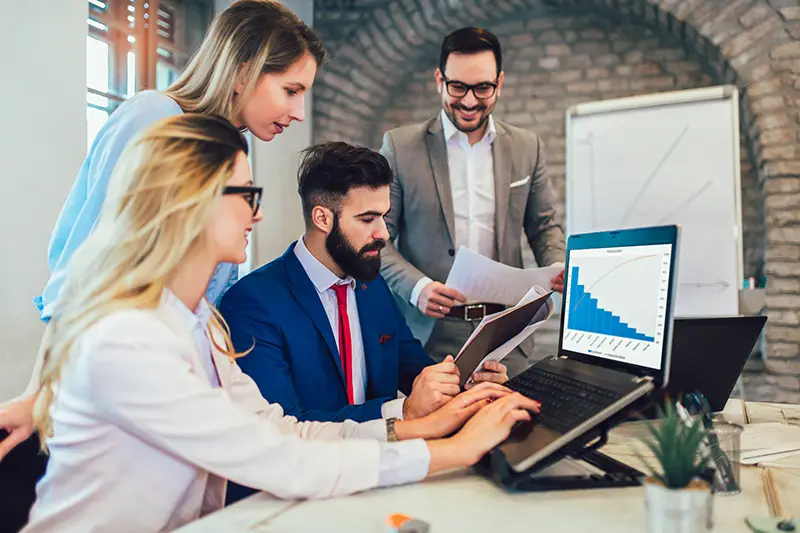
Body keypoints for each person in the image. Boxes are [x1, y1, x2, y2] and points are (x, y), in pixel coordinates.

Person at [21, 114, 540, 533]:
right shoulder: (129, 340)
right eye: (247, 196)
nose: (259, 214)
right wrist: (455, 449)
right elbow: (280, 459)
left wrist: (427, 424)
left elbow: (279, 429)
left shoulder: (197, 323)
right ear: (193, 204)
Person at [1, 0, 325, 461]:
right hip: (112, 381)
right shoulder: (154, 117)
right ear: (244, 70)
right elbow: (86, 264)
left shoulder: (231, 150)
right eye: (291, 90)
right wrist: (41, 391)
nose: (296, 111)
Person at [218, 142, 509, 503]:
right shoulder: (252, 302)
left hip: (382, 484)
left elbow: (414, 369)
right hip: (295, 498)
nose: (384, 234)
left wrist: (465, 381)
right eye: (367, 219)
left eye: (384, 217)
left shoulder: (372, 284)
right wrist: (404, 412)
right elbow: (288, 427)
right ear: (323, 218)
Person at [379, 26, 566, 379]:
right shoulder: (400, 148)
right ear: (439, 79)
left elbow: (543, 226)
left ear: (500, 82)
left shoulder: (527, 147)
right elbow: (377, 238)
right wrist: (417, 288)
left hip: (506, 332)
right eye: (457, 87)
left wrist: (556, 264)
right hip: (427, 335)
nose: (468, 101)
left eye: (483, 88)